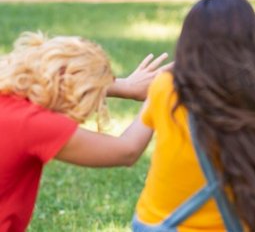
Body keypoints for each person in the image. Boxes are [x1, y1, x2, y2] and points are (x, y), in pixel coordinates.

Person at [132, 0, 255, 232]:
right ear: (254, 42)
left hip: (160, 225)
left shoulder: (166, 89)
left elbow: (127, 149)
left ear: (189, 43)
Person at [0, 32, 171, 232]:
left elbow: (61, 78)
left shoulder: (8, 92)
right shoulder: (33, 124)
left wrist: (124, 86)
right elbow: (127, 150)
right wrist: (158, 93)